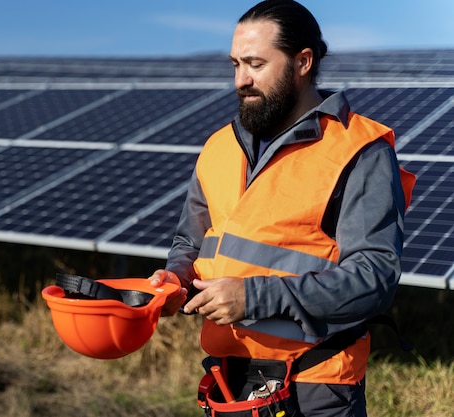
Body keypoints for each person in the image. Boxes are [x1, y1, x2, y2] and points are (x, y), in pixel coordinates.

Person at [149, 1, 415, 416]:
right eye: (235, 64)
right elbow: (191, 239)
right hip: (227, 380)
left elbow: (375, 277)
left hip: (316, 388)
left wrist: (254, 297)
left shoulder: (360, 150)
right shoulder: (219, 145)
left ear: (302, 61)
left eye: (255, 64)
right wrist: (175, 279)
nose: (240, 79)